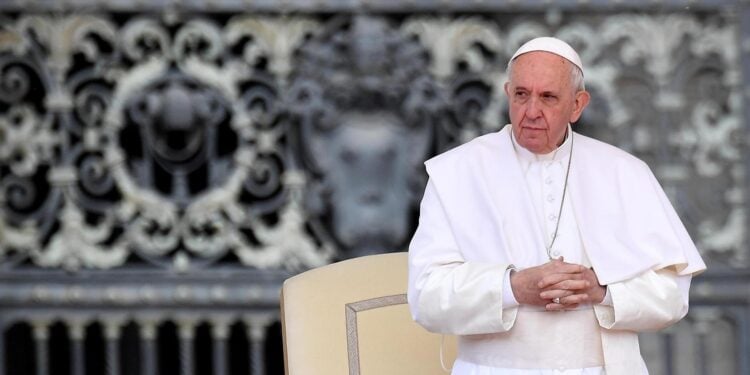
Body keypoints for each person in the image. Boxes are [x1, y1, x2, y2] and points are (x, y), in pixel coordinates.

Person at [407, 37, 706, 375]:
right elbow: (425, 297)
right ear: (508, 93)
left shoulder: (624, 172)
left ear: (577, 105)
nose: (531, 111)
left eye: (548, 97)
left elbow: (672, 295)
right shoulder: (457, 172)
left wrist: (601, 290)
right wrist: (513, 287)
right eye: (521, 95)